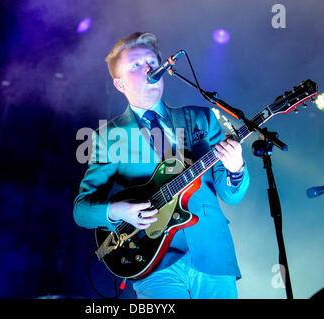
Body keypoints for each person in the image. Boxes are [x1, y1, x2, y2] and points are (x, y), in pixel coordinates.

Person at [73, 32, 249, 299]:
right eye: (136, 65)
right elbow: (81, 210)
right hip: (153, 261)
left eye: (151, 61)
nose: (148, 68)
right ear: (119, 84)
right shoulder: (109, 136)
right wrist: (119, 210)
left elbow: (230, 195)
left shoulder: (201, 118)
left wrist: (236, 168)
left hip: (212, 253)